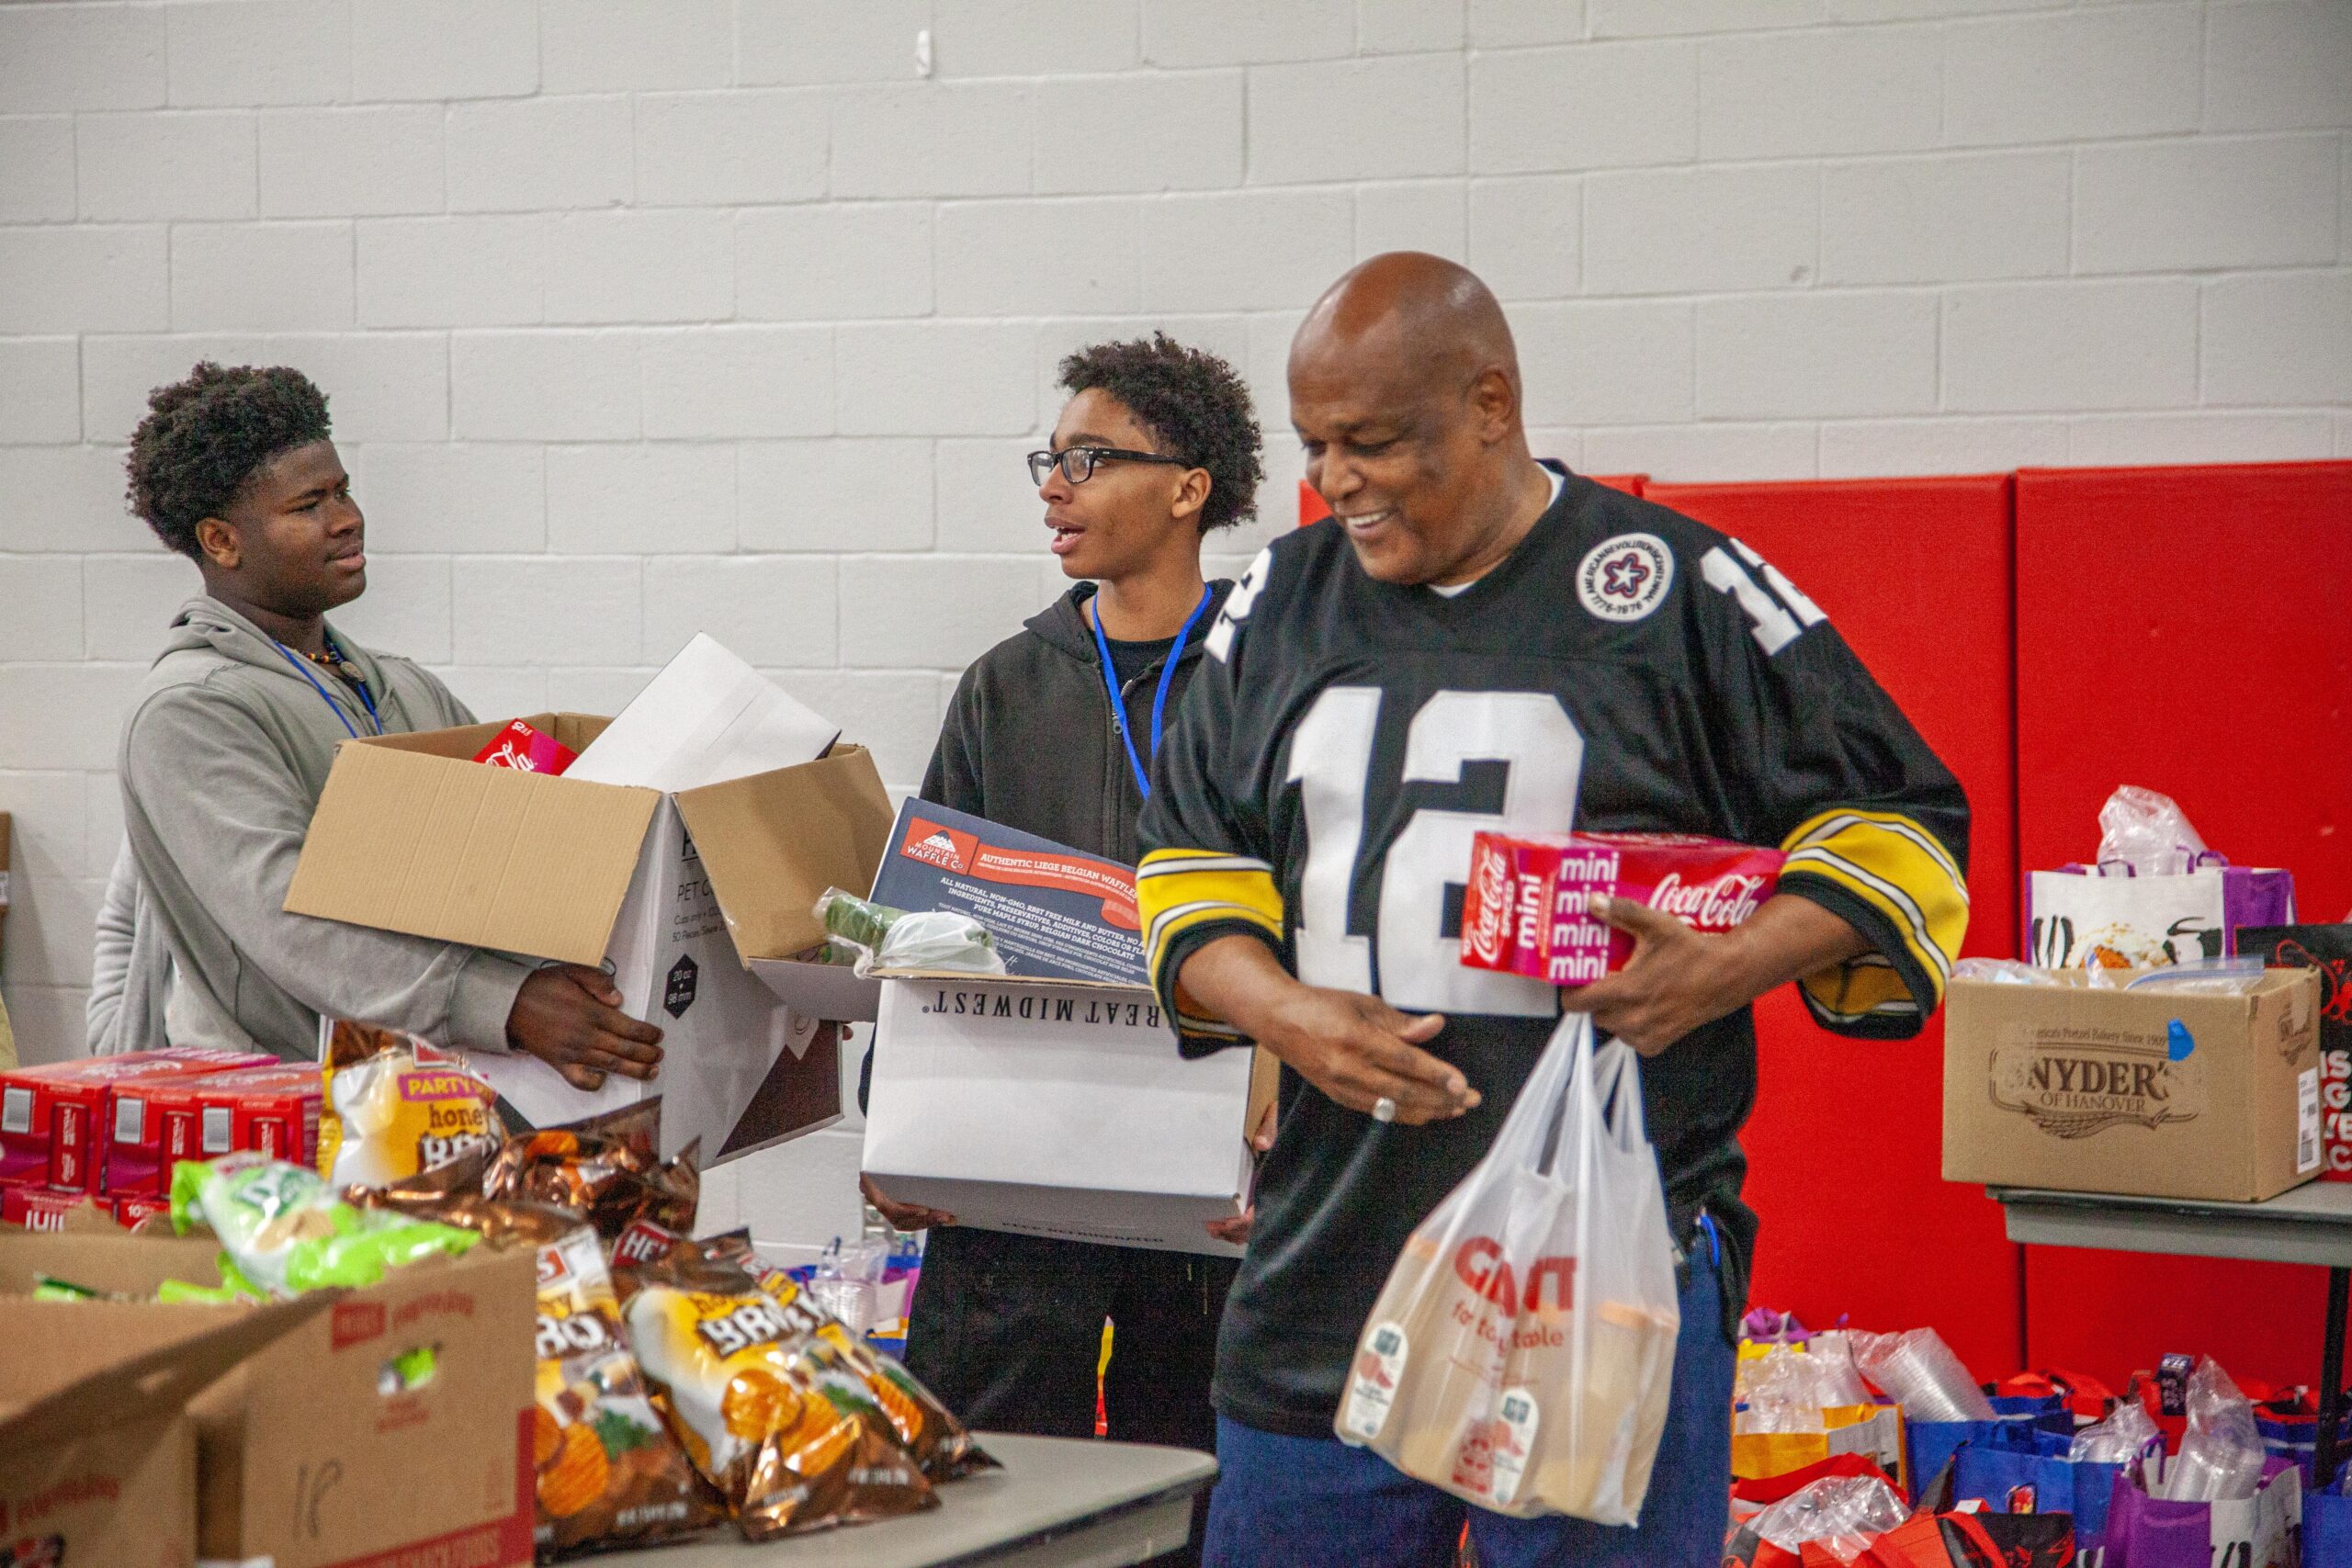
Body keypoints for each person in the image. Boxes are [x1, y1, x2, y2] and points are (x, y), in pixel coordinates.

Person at [1134, 255, 1971, 1567]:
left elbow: (1906, 826)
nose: (1336, 479)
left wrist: (1730, 966)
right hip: (1329, 1253)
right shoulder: (1275, 601)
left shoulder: (1677, 589)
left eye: (1372, 442)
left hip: (1603, 1270)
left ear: (1490, 403)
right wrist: (1285, 1009)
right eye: (1315, 446)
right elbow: (1187, 868)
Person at [861, 335, 1266, 1555]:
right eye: (1053, 457)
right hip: (1017, 1169)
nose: (1056, 483)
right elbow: (922, 929)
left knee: (1190, 1489)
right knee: (992, 1501)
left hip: (1202, 1179)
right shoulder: (1004, 685)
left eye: (1091, 459)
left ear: (1188, 486)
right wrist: (896, 1124)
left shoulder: (1270, 674)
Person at [102, 361, 664, 1088]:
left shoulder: (402, 686)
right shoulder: (190, 710)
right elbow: (287, 914)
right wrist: (505, 1002)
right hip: (280, 1115)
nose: (346, 518)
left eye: (342, 490)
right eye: (308, 505)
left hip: (425, 1103)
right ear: (221, 541)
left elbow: (523, 843)